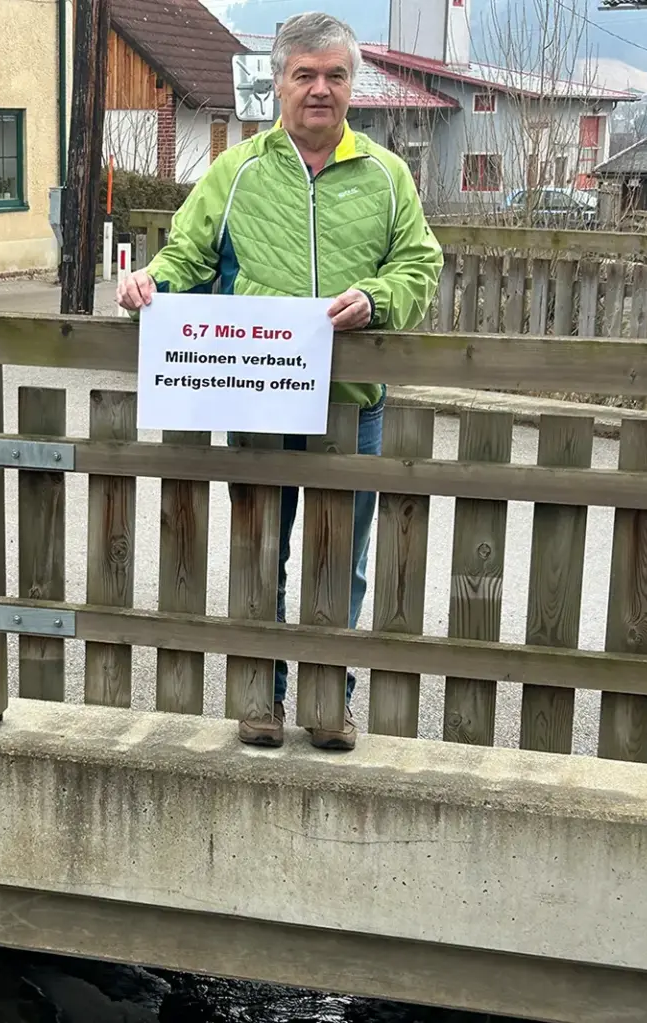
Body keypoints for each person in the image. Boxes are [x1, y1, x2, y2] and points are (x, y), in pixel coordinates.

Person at [116, 11, 443, 752]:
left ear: (352, 85)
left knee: (343, 564)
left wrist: (379, 298)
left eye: (334, 75)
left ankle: (331, 703)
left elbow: (419, 265)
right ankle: (260, 699)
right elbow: (188, 258)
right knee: (262, 551)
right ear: (280, 84)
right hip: (256, 398)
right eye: (305, 75)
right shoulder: (236, 173)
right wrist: (151, 283)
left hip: (349, 406)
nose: (320, 90)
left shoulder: (388, 178)